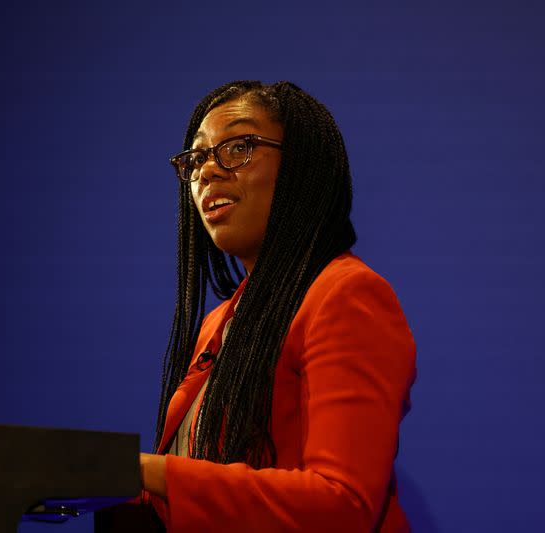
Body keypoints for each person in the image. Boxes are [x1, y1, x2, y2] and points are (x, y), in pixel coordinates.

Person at [137, 81, 417, 532]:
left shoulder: (347, 295)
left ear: (300, 169)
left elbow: (341, 504)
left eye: (239, 146)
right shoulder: (218, 323)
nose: (207, 172)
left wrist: (147, 472)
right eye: (196, 158)